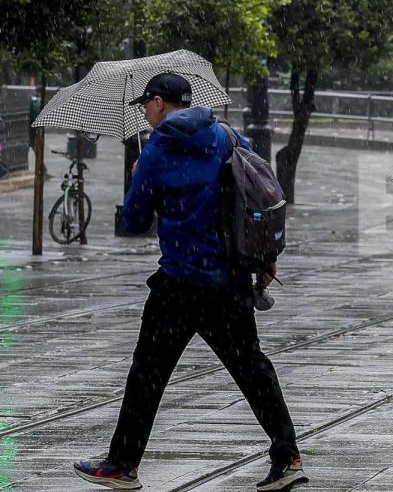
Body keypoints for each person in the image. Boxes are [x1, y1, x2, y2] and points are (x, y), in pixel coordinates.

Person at [73, 73, 306, 492]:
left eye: (146, 105)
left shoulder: (157, 151)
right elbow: (259, 193)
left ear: (160, 103)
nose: (145, 113)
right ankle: (287, 457)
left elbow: (134, 221)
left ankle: (123, 465)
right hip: (230, 281)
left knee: (147, 374)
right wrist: (266, 257)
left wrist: (138, 176)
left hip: (179, 284)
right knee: (253, 369)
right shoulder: (228, 137)